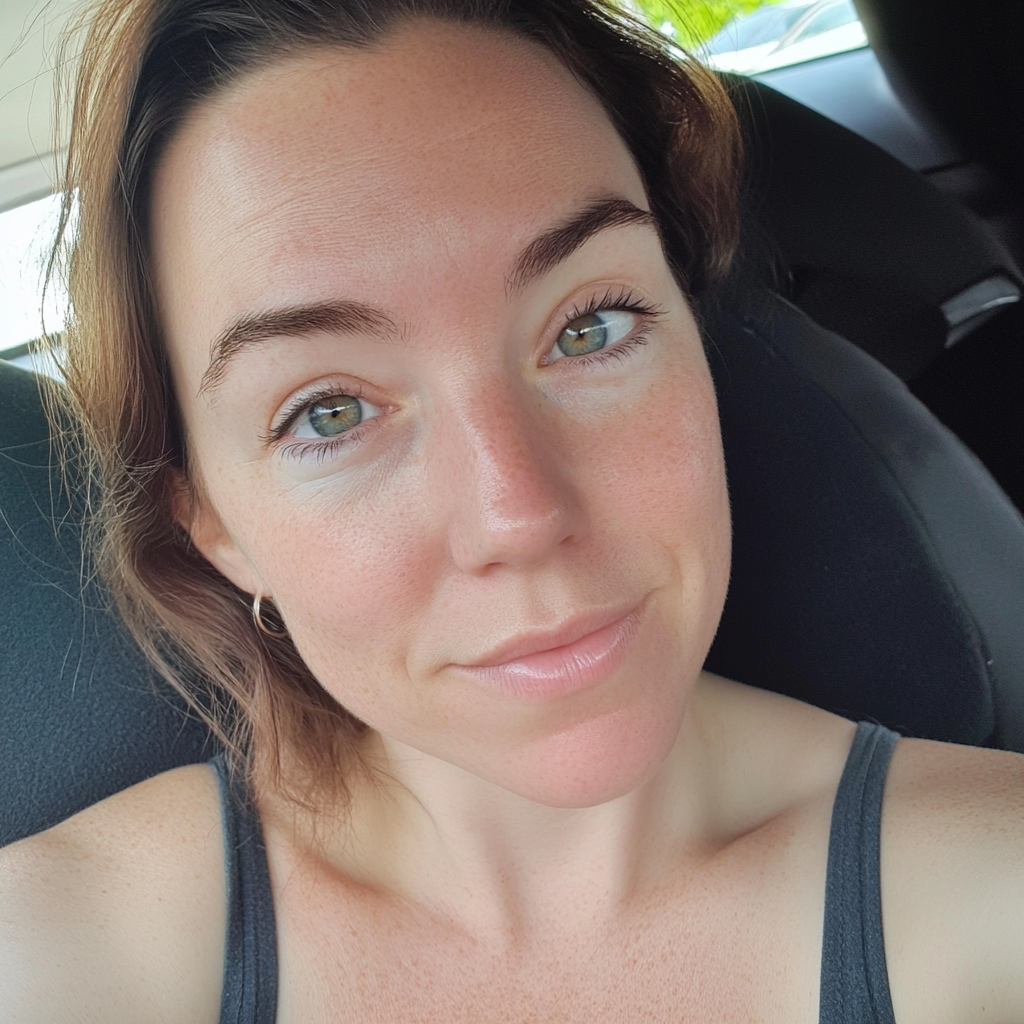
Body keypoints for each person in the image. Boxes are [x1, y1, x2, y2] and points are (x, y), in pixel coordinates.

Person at [1, 0, 1022, 1021]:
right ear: (216, 526)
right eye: (330, 412)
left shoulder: (991, 889)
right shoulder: (61, 952)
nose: (519, 516)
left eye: (590, 327)